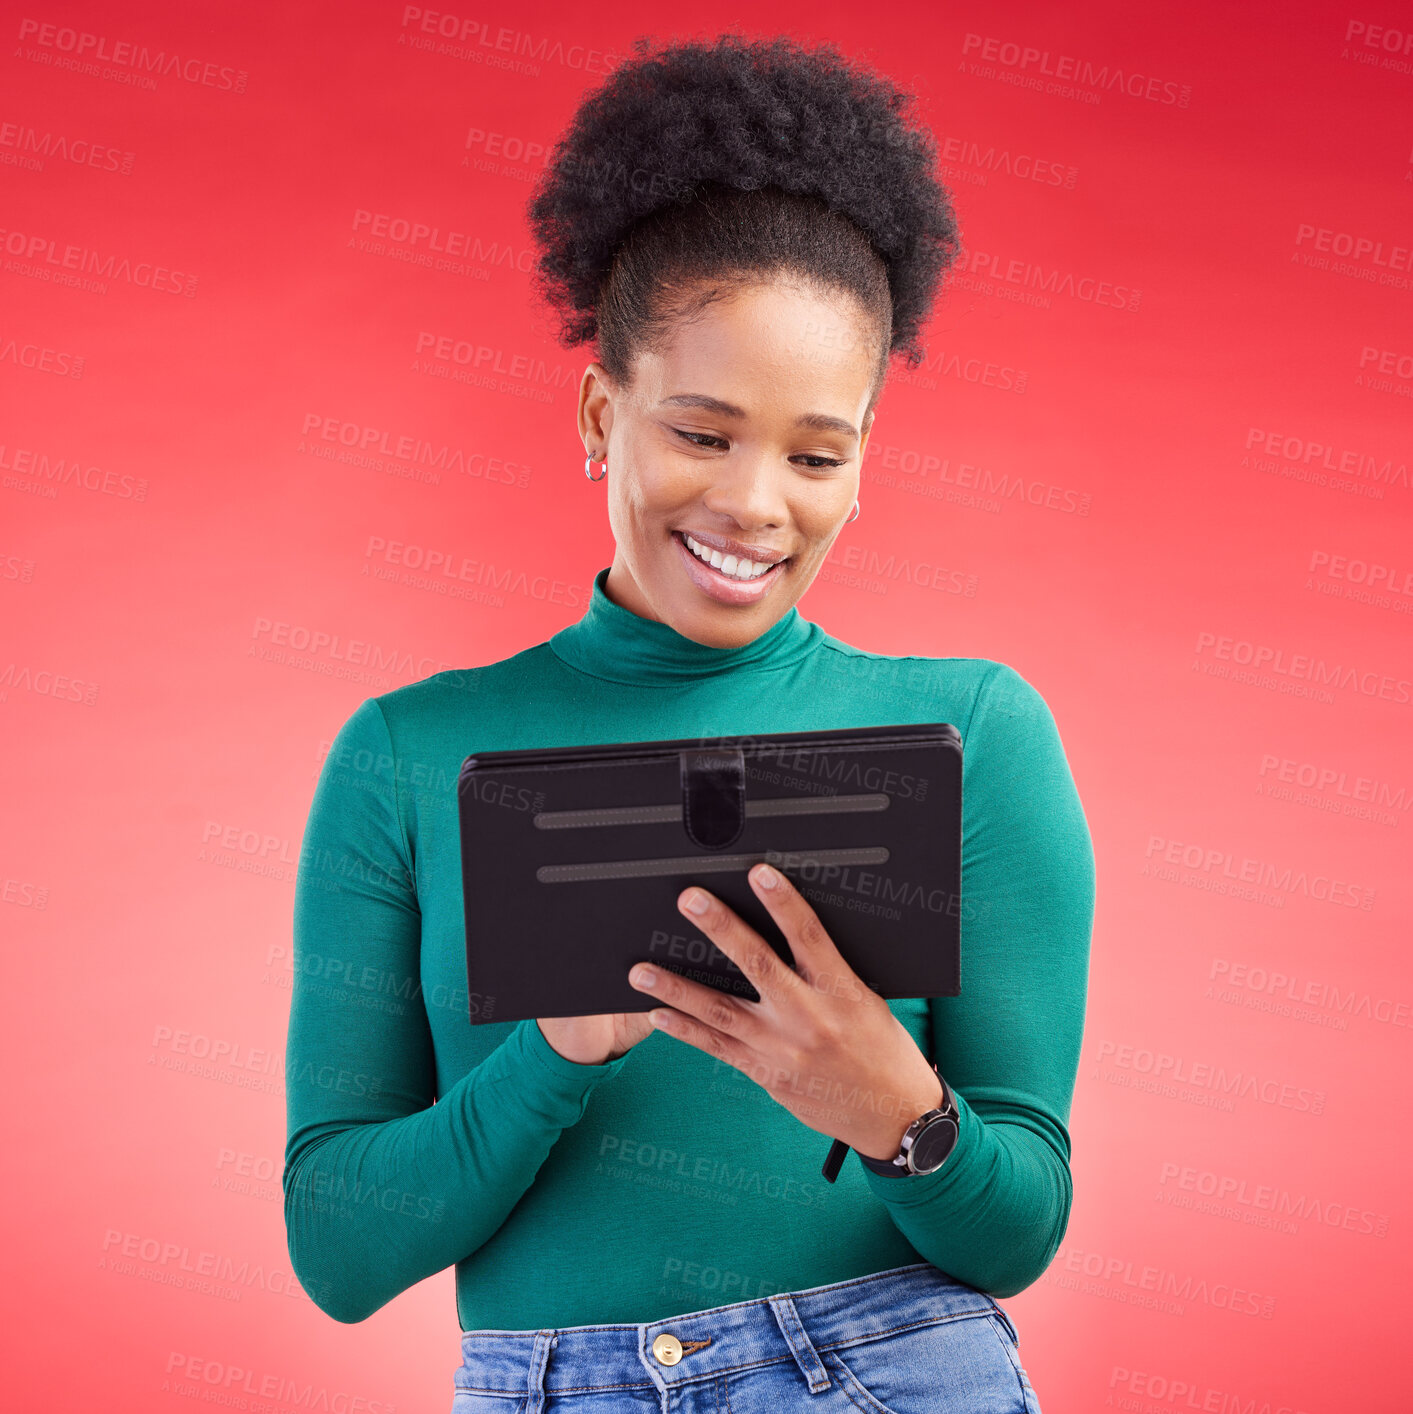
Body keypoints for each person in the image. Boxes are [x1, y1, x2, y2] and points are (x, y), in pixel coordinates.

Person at [283, 32, 1093, 1414]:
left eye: (815, 452)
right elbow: (340, 1250)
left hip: (887, 1371)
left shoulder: (972, 732)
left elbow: (1012, 1232)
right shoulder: (407, 754)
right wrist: (555, 1048)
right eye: (703, 434)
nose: (756, 505)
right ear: (604, 414)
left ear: (860, 465)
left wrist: (894, 1111)